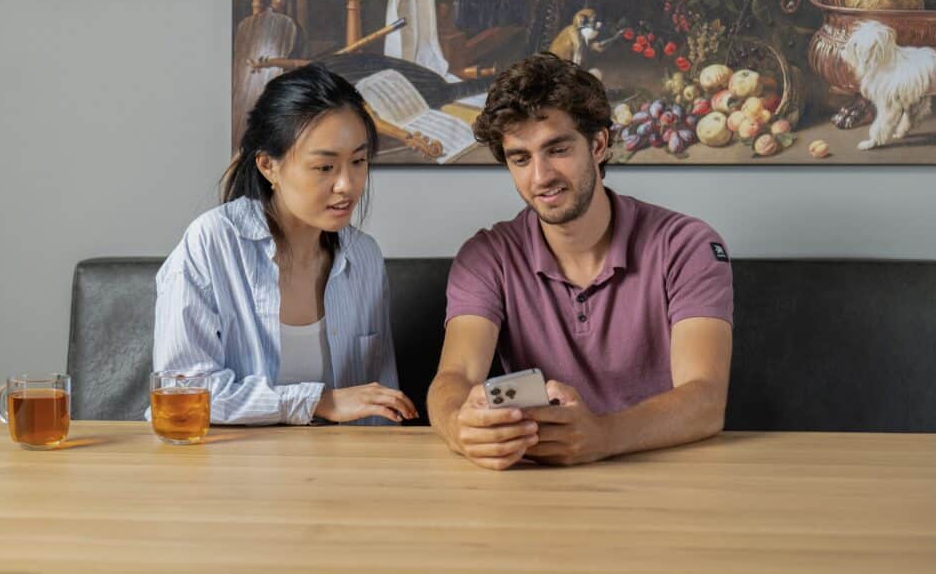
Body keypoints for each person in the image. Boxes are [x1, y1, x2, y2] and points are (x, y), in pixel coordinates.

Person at [427, 52, 733, 469]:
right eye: (521, 158)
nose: (541, 176)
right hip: (536, 481)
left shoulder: (686, 245)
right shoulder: (486, 256)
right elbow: (453, 379)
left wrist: (602, 436)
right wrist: (460, 428)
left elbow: (705, 399)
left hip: (666, 474)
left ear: (599, 144)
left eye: (557, 149)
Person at [153, 64, 416, 426]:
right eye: (325, 167)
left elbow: (379, 407)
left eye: (358, 161)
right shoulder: (212, 243)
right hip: (229, 470)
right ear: (268, 166)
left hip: (344, 472)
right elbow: (179, 394)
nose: (348, 184)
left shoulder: (364, 256)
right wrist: (316, 402)